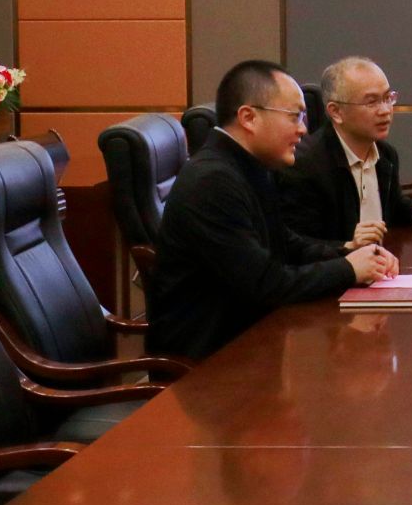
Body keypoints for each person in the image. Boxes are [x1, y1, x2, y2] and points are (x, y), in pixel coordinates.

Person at [149, 60, 394, 360]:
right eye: (295, 116)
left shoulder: (247, 165)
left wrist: (349, 251)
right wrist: (348, 269)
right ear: (249, 118)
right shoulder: (212, 181)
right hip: (206, 365)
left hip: (249, 344)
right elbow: (266, 284)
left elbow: (285, 243)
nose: (303, 129)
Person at [281, 56, 412, 247]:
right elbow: (295, 245)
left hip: (384, 261)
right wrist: (348, 246)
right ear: (336, 112)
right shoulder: (304, 165)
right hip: (341, 265)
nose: (385, 110)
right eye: (371, 102)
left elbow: (392, 205)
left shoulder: (386, 155)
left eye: (387, 98)